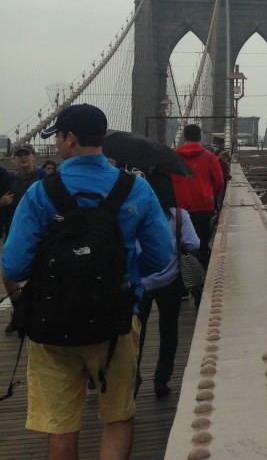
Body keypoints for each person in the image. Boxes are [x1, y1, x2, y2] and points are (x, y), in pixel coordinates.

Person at [1, 104, 173, 460]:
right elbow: (161, 257)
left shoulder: (40, 192)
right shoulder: (136, 190)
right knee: (118, 416)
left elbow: (14, 265)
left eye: (58, 138)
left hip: (51, 322)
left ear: (70, 138)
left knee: (62, 424)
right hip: (117, 320)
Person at [136, 172, 199, 398]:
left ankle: (133, 379)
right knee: (168, 330)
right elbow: (194, 244)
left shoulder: (137, 214)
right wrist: (175, 243)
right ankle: (162, 378)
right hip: (170, 281)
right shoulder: (180, 215)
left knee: (136, 334)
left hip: (141, 284)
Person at [2, 143, 46, 334]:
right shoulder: (9, 181)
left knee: (40, 274)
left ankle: (35, 315)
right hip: (15, 232)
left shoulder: (45, 178)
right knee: (8, 275)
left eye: (26, 154)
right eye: (19, 155)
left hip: (41, 234)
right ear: (14, 159)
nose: (23, 157)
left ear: (34, 156)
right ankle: (20, 311)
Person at [172, 125, 224, 272]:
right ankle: (200, 281)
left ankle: (183, 280)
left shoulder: (173, 157)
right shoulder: (209, 157)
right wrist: (210, 196)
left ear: (184, 137)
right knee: (200, 244)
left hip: (179, 210)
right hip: (203, 208)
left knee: (179, 245)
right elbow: (219, 182)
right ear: (200, 138)